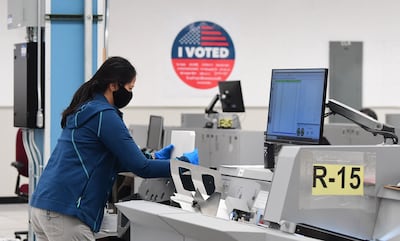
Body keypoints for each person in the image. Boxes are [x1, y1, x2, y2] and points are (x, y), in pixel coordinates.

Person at [30, 56, 197, 241]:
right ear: (114, 85)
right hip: (65, 214)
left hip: (45, 206)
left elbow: (108, 161)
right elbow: (141, 168)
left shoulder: (85, 109)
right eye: (130, 88)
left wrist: (154, 157)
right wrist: (184, 165)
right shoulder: (104, 116)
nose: (130, 94)